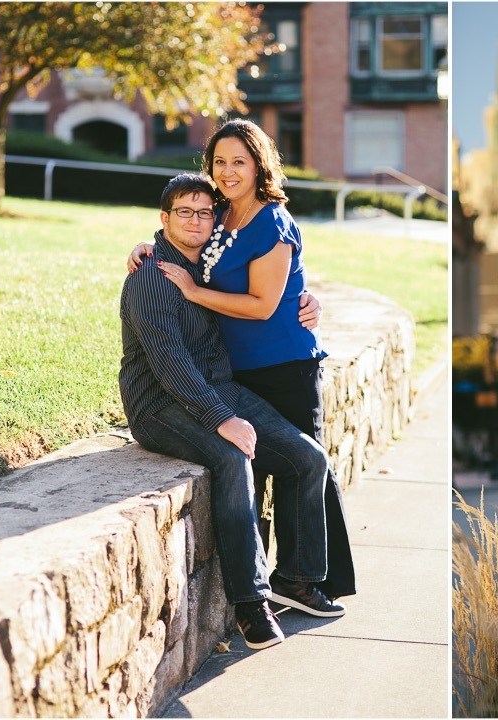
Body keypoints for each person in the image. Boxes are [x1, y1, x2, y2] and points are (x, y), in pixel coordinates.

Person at [128, 119, 356, 605]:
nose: (228, 171)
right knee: (269, 467)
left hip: (284, 363)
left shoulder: (270, 219)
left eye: (239, 161)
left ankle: (308, 580)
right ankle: (278, 579)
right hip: (235, 369)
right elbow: (183, 227)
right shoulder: (219, 215)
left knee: (304, 466)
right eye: (219, 162)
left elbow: (264, 304)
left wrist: (192, 291)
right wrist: (146, 246)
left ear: (259, 165)